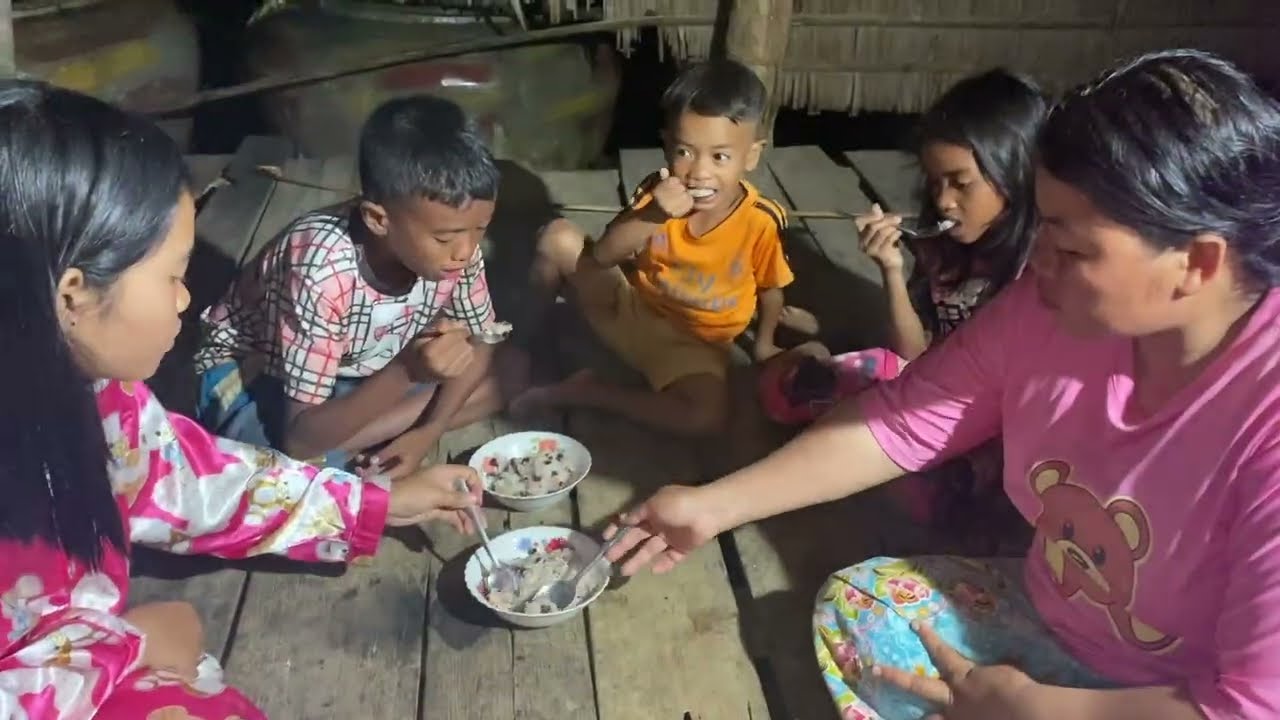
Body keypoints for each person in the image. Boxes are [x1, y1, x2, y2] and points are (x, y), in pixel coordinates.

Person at [606, 49, 1280, 720]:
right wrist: (714, 506)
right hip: (1057, 621)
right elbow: (899, 423)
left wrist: (1041, 713)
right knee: (860, 610)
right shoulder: (1045, 312)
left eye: (1072, 247)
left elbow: (1255, 703)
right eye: (1042, 224)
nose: (1037, 258)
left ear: (1196, 263)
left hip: (1186, 696)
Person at [0, 81, 483, 719]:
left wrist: (372, 504)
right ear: (71, 296)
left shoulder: (102, 403)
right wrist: (121, 647)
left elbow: (190, 480)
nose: (185, 301)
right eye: (174, 275)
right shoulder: (321, 267)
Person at [758, 70, 1045, 542]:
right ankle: (812, 355)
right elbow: (916, 355)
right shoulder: (945, 249)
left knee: (920, 496)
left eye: (961, 183)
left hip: (990, 426)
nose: (944, 201)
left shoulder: (1036, 271)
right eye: (935, 183)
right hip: (925, 389)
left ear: (1015, 172)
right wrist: (891, 269)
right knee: (779, 392)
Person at [196, 95, 529, 479]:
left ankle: (346, 447)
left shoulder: (456, 245)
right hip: (257, 380)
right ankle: (322, 458)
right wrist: (409, 370)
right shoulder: (321, 271)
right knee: (291, 456)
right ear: (377, 219)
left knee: (511, 369)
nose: (467, 251)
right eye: (444, 238)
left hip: (362, 372)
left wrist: (428, 432)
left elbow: (481, 338)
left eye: (480, 230)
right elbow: (299, 438)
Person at [514, 58, 795, 436]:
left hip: (694, 348)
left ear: (752, 155)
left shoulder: (761, 219)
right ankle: (521, 346)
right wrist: (655, 215)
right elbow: (603, 255)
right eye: (685, 152)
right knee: (557, 238)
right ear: (666, 145)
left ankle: (592, 393)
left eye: (720, 157)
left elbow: (771, 287)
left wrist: (764, 345)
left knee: (706, 417)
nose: (699, 172)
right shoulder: (657, 193)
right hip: (627, 310)